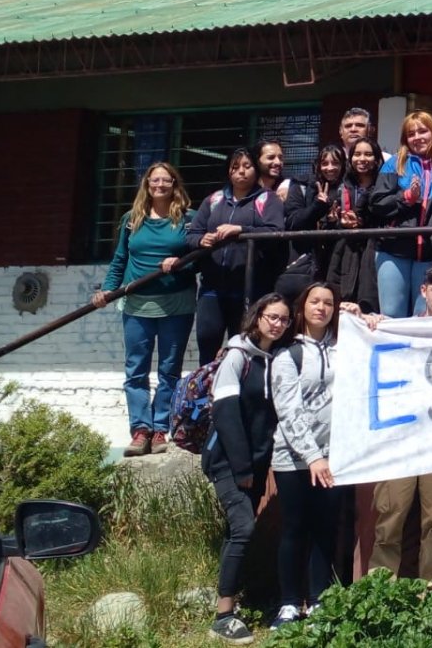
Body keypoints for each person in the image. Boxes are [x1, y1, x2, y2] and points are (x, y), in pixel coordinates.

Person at [367, 265, 432, 575]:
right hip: (402, 438)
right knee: (390, 516)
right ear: (423, 291)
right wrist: (371, 321)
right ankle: (379, 594)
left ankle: (429, 592)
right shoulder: (400, 328)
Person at [205, 293, 293, 644]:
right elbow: (225, 414)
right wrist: (241, 466)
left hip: (255, 463)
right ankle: (223, 614)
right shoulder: (237, 356)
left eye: (284, 319)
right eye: (272, 316)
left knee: (237, 531)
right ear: (257, 317)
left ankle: (235, 598)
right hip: (228, 462)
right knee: (243, 527)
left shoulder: (275, 359)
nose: (278, 324)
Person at [92, 161, 195, 457]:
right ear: (147, 185)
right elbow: (120, 259)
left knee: (169, 370)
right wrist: (107, 290)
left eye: (166, 181)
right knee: (135, 370)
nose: (160, 185)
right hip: (137, 304)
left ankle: (161, 428)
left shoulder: (188, 219)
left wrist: (181, 264)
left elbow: (201, 257)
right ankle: (140, 430)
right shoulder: (131, 219)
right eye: (154, 181)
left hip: (177, 303)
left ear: (175, 184)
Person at [269, 282, 345, 628]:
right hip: (295, 458)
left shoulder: (344, 348)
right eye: (315, 301)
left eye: (328, 303)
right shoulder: (289, 355)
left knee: (325, 529)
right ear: (303, 307)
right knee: (295, 528)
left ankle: (318, 599)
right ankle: (288, 602)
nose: (321, 308)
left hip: (334, 456)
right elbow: (289, 411)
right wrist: (312, 456)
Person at [188, 148, 287, 361]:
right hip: (212, 289)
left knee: (244, 348)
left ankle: (241, 392)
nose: (241, 172)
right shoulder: (213, 200)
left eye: (247, 166)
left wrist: (241, 230)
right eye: (235, 167)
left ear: (256, 169)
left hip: (250, 288)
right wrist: (200, 240)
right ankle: (208, 390)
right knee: (207, 345)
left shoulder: (267, 199)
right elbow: (192, 233)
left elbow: (275, 232)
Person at [369, 111, 432, 318]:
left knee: (424, 317)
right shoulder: (394, 164)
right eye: (411, 134)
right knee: (391, 316)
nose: (417, 137)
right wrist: (406, 198)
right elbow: (377, 204)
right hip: (394, 250)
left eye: (423, 131)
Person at [279, 144, 346, 298]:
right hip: (304, 265)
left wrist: (334, 222)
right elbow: (293, 222)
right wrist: (318, 206)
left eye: (335, 163)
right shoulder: (301, 185)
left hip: (336, 263)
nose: (330, 168)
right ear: (317, 165)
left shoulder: (348, 187)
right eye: (325, 163)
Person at [324, 136, 381, 315]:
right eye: (357, 154)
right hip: (344, 251)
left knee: (368, 307)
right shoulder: (342, 186)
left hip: (373, 250)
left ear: (377, 159)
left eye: (368, 154)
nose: (362, 159)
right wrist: (336, 221)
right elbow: (328, 224)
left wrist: (363, 222)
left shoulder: (384, 184)